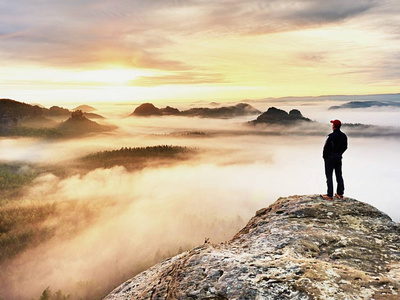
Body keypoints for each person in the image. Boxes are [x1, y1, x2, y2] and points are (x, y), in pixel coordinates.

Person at [322, 119, 348, 200]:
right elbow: (345, 147)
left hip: (329, 159)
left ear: (333, 126)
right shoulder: (344, 136)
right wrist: (339, 153)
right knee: (339, 175)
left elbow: (326, 148)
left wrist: (325, 157)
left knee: (329, 176)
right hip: (338, 158)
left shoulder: (330, 136)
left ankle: (330, 195)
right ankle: (340, 193)